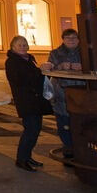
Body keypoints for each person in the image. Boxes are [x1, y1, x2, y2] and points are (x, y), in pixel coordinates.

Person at [5, 36, 51, 172]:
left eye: (24, 44)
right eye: (19, 45)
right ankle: (22, 159)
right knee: (30, 130)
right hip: (26, 100)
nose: (23, 47)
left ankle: (27, 156)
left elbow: (34, 77)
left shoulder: (29, 59)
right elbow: (20, 79)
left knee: (35, 129)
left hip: (35, 100)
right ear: (13, 47)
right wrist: (39, 71)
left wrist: (43, 73)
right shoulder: (12, 62)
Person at [41, 28, 82, 158]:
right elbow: (49, 68)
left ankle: (80, 146)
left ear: (78, 40)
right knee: (63, 120)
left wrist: (83, 66)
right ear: (63, 39)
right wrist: (59, 66)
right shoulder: (56, 53)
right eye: (68, 38)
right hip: (61, 91)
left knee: (79, 119)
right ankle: (68, 146)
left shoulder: (85, 53)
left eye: (74, 38)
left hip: (81, 92)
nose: (71, 40)